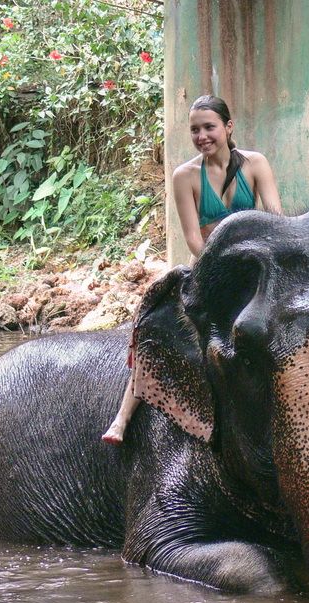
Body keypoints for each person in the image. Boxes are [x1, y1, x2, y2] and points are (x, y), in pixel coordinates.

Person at [101, 94, 282, 445]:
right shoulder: (185, 176)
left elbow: (275, 218)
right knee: (157, 328)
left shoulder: (256, 164)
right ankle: (122, 418)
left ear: (228, 127)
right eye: (195, 130)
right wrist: (222, 272)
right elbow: (193, 239)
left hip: (256, 268)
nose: (202, 136)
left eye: (209, 127)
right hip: (209, 272)